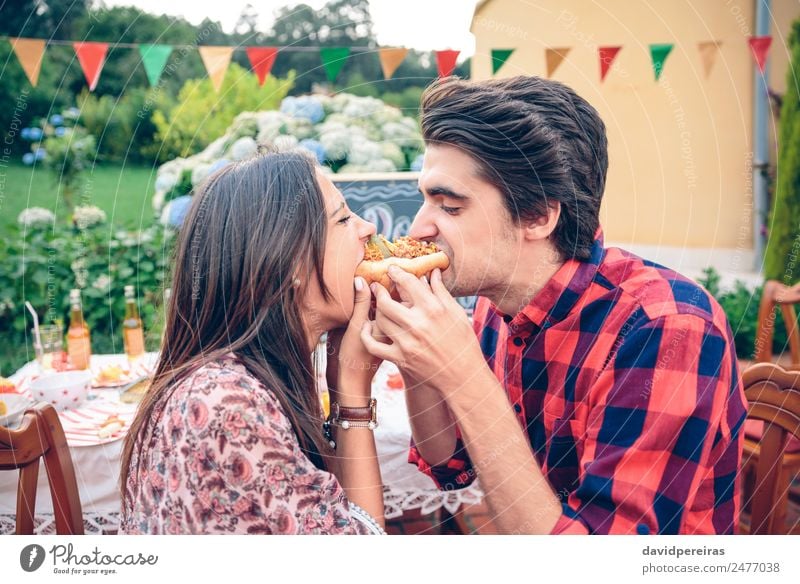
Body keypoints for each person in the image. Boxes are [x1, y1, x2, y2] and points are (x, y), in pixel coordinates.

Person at [360, 76, 748, 535]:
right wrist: (420, 360)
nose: (420, 228)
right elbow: (450, 465)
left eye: (450, 206)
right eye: (426, 199)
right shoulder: (497, 302)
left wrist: (462, 371)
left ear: (539, 216)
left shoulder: (666, 328)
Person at [120, 151, 385, 534]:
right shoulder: (229, 403)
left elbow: (331, 511)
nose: (368, 228)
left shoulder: (247, 377)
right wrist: (355, 397)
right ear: (290, 261)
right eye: (343, 219)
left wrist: (343, 379)